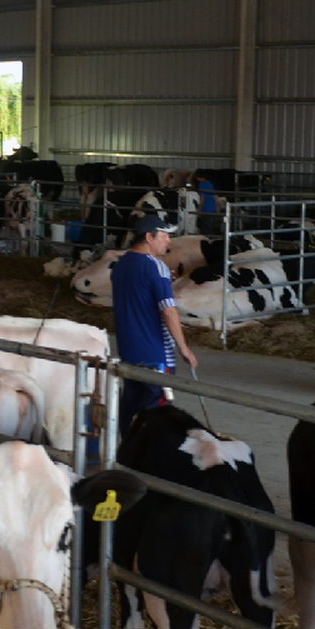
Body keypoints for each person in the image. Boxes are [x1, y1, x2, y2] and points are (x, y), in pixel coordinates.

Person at [111, 214, 197, 433]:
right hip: (155, 353)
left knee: (130, 405)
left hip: (128, 351)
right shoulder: (156, 267)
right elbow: (168, 311)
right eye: (165, 235)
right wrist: (183, 347)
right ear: (149, 237)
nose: (168, 241)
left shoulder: (119, 266)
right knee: (156, 411)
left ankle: (123, 454)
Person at [191, 170, 219, 235]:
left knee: (205, 226)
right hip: (212, 206)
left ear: (197, 177)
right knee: (209, 225)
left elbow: (202, 198)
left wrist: (199, 209)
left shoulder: (201, 184)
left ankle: (209, 239)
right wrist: (217, 205)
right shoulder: (209, 183)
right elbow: (215, 195)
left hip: (205, 207)